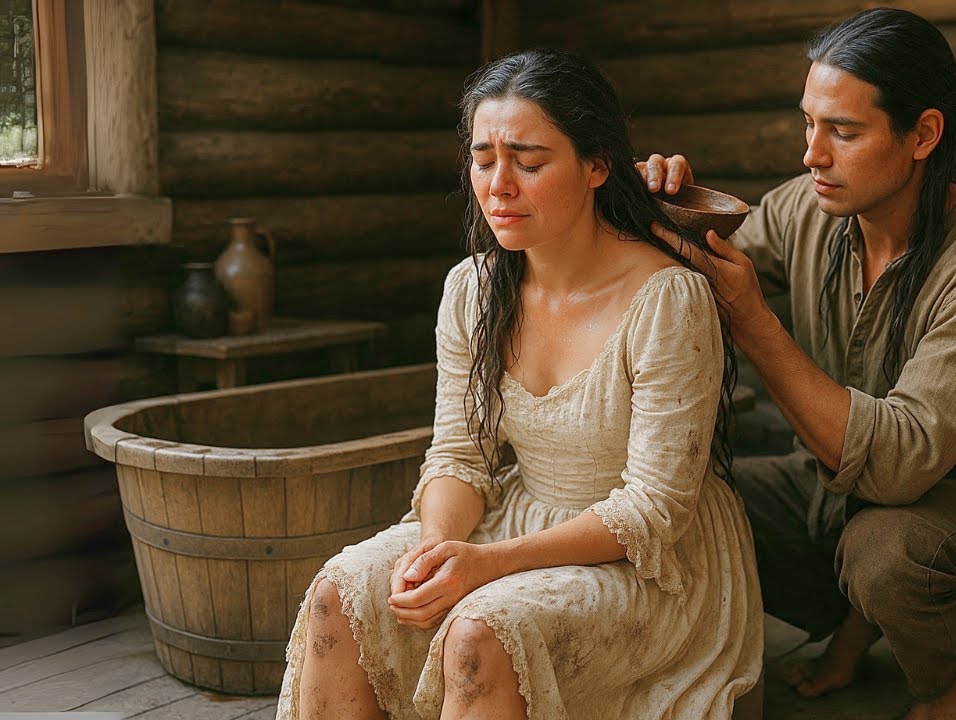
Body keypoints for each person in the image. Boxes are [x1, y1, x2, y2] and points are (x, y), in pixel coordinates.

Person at [275, 48, 763, 720]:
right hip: (516, 518)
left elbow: (652, 511)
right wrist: (436, 549)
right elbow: (458, 458)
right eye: (483, 160)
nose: (499, 184)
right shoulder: (473, 291)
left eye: (529, 163)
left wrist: (487, 565)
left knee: (480, 632)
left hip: (648, 563)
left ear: (596, 165)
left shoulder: (666, 299)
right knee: (343, 591)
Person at [640, 8, 956, 720]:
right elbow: (699, 256)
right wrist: (656, 199)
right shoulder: (811, 210)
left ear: (923, 134)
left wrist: (754, 321)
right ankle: (848, 627)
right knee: (690, 507)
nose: (812, 154)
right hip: (840, 492)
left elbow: (900, 463)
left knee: (888, 555)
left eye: (843, 131)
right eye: (809, 123)